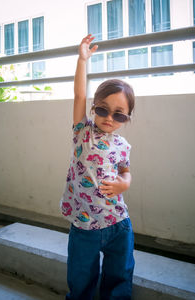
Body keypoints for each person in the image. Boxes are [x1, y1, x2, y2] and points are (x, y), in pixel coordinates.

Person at [60, 34, 135, 300]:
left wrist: (124, 183)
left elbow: (126, 172)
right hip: (83, 223)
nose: (109, 118)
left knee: (119, 277)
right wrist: (82, 60)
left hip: (117, 223)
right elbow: (79, 93)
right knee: (80, 278)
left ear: (127, 118)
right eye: (102, 110)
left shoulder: (122, 146)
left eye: (119, 114)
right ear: (93, 108)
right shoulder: (83, 132)